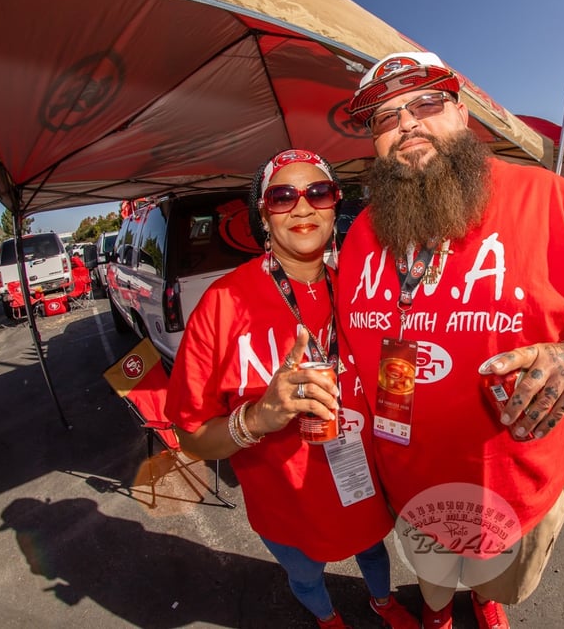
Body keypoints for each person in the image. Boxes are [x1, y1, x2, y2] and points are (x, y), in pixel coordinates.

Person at [342, 51, 564, 629]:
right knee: (431, 576)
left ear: (462, 113)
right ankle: (438, 615)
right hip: (410, 480)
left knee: (502, 576)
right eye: (383, 117)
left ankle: (485, 599)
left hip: (515, 486)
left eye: (425, 102)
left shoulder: (547, 197)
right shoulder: (361, 232)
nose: (405, 123)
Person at [164, 149, 417, 629]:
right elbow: (192, 437)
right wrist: (257, 417)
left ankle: (383, 602)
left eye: (317, 192)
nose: (302, 207)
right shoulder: (221, 305)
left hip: (362, 485)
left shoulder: (366, 292)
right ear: (263, 214)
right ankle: (327, 618)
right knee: (304, 577)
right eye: (282, 196)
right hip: (285, 506)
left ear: (335, 204)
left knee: (375, 557)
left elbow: (398, 389)